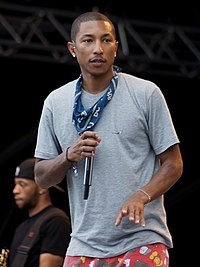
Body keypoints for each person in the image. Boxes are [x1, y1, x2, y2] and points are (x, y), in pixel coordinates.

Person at [34, 11, 183, 267]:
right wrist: (68, 155)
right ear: (72, 48)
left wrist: (141, 195)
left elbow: (173, 164)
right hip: (83, 243)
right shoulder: (55, 102)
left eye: (106, 40)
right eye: (88, 41)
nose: (98, 49)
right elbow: (41, 176)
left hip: (142, 239)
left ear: (116, 47)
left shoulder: (146, 93)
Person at [9, 158, 71, 267]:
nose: (15, 190)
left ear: (42, 188)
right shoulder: (21, 226)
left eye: (22, 184)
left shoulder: (56, 221)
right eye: (15, 184)